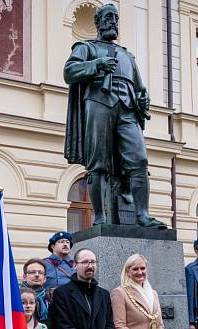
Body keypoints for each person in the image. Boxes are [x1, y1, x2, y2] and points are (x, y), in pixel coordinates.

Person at [63, 3, 165, 228]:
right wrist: (96, 65)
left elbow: (139, 88)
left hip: (127, 109)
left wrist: (142, 99)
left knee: (139, 161)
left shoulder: (127, 55)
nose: (113, 22)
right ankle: (100, 218)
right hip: (99, 102)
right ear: (98, 22)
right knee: (98, 164)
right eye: (108, 17)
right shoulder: (86, 47)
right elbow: (69, 72)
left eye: (116, 19)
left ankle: (142, 215)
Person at [21, 258, 49, 323]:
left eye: (40, 272)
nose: (37, 275)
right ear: (24, 277)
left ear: (45, 278)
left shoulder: (50, 298)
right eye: (32, 272)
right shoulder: (16, 297)